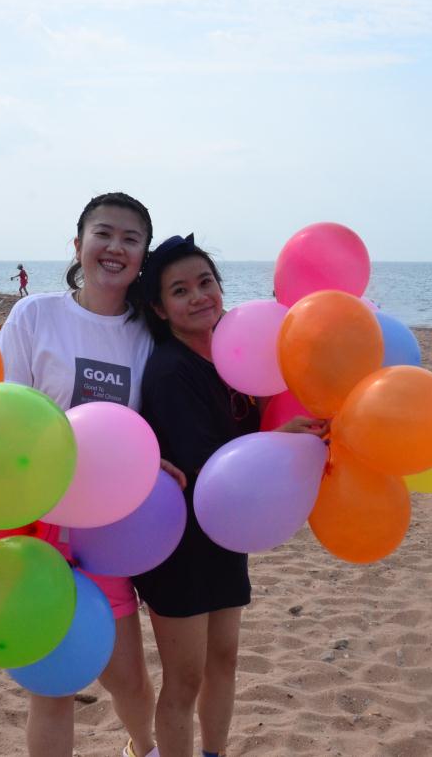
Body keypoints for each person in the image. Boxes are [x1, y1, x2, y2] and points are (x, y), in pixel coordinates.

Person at [133, 235, 327, 757]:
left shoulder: (236, 354)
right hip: (178, 542)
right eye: (180, 290)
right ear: (160, 308)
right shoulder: (170, 369)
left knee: (225, 661)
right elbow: (203, 464)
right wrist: (277, 441)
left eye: (206, 282)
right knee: (185, 679)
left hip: (226, 534)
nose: (199, 296)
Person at [0, 193, 163, 757]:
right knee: (53, 687)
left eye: (130, 239)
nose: (115, 248)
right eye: (103, 233)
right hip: (37, 523)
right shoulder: (35, 315)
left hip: (108, 533)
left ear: (142, 257)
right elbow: (4, 414)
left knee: (129, 679)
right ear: (78, 245)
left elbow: (155, 424)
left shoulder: (148, 334)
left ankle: (143, 748)